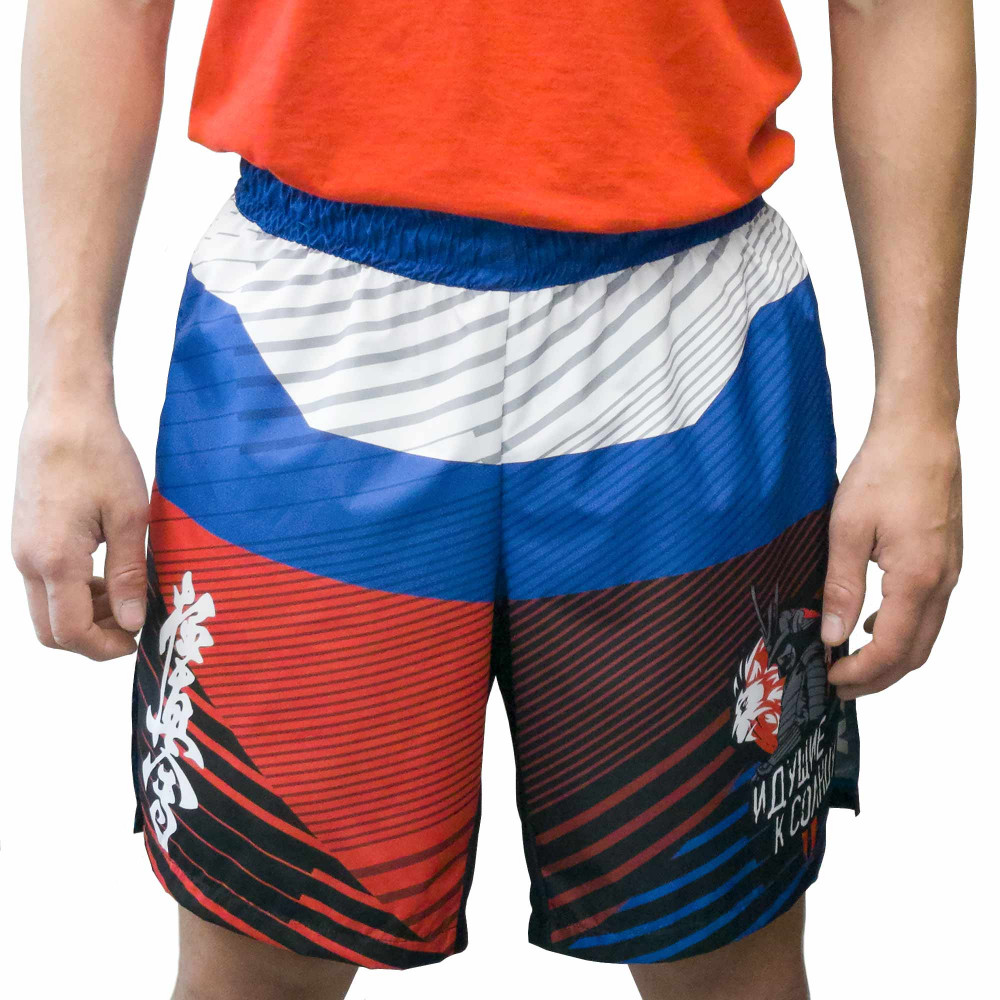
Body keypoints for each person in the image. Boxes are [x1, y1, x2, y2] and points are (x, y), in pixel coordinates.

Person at [13, 1, 971, 998]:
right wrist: (64, 385)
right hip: (307, 329)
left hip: (690, 337)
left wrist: (921, 412)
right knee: (262, 951)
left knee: (720, 950)